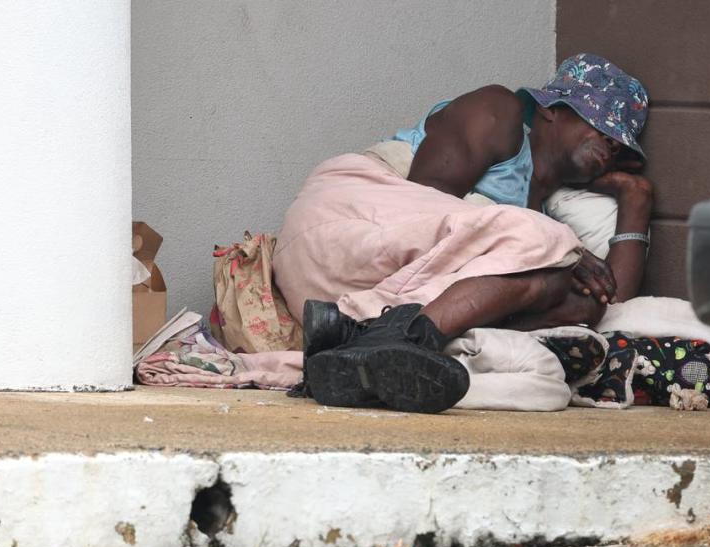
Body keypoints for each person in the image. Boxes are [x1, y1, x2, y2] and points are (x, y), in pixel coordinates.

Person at [273, 53, 653, 413]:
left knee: (581, 303)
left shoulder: (542, 215)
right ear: (549, 109)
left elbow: (611, 294)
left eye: (620, 146)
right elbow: (419, 210)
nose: (613, 144)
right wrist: (555, 244)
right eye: (603, 125)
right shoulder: (497, 111)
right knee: (552, 264)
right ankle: (395, 339)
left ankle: (375, 349)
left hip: (359, 296)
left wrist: (636, 199)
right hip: (339, 231)